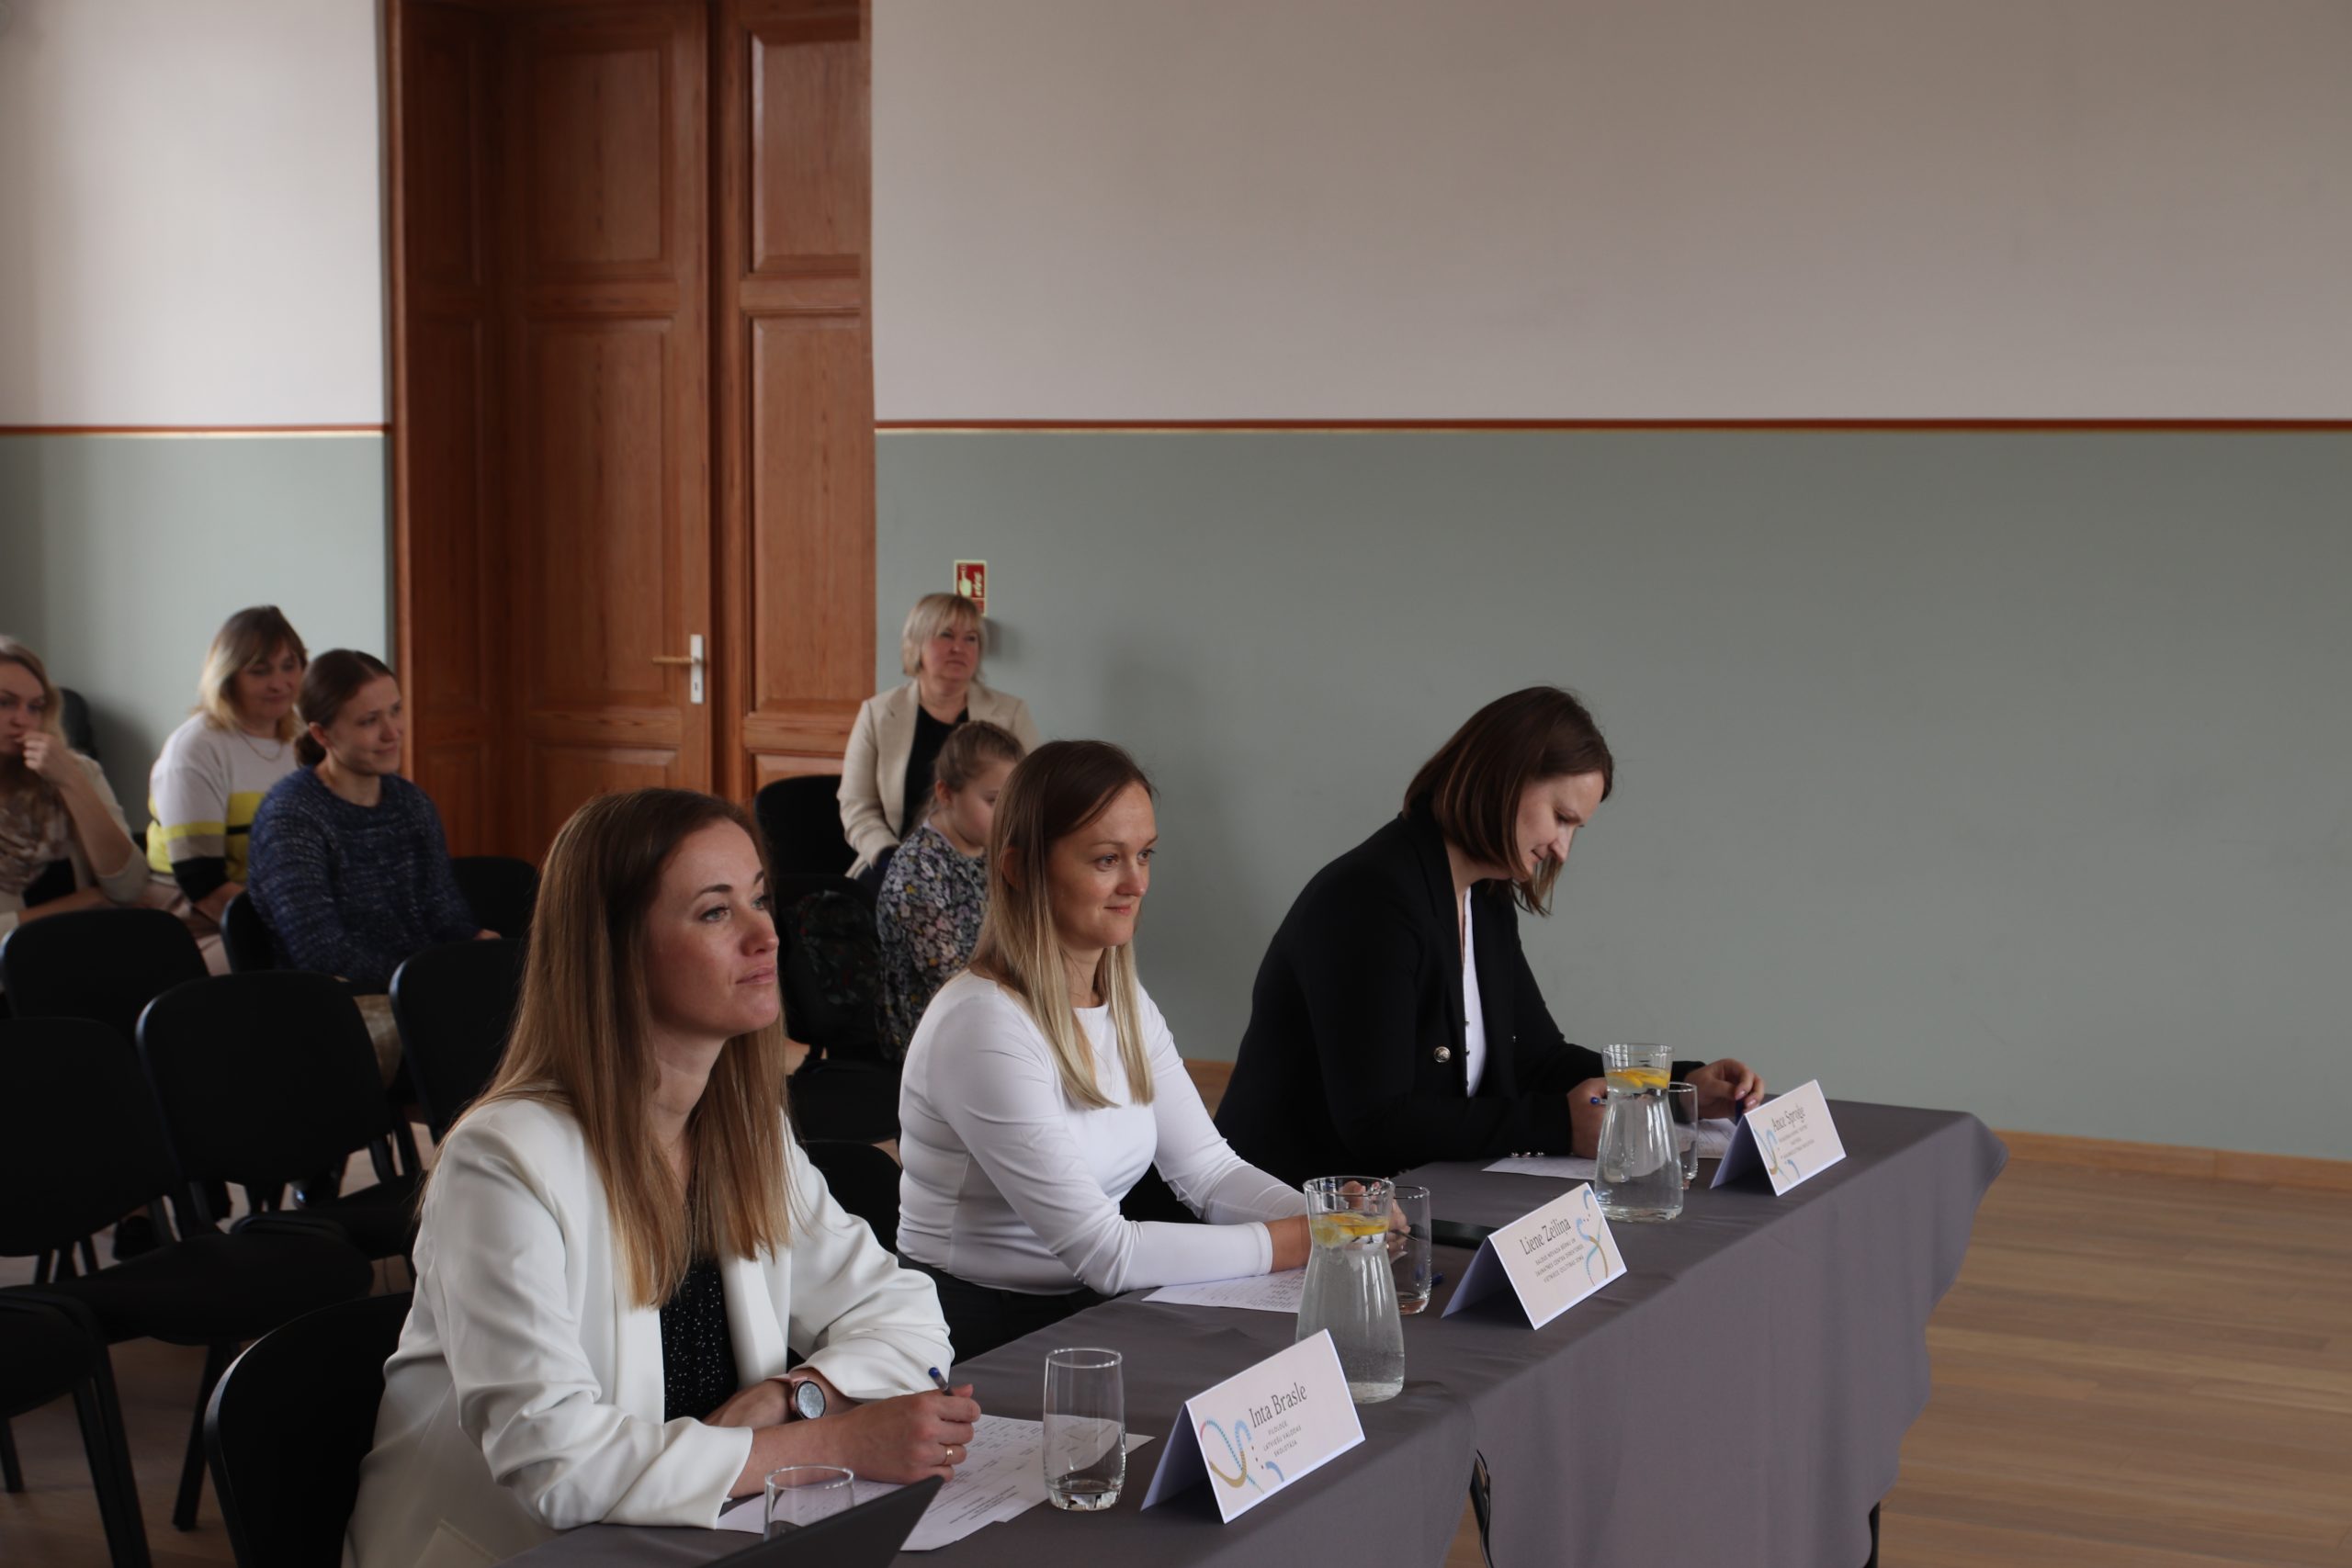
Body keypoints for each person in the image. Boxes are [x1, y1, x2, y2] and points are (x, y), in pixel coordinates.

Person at [345, 789, 976, 1568]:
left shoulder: (742, 1127)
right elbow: (557, 1461)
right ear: (615, 952)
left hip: (693, 1538)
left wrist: (794, 1394)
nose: (766, 934)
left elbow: (905, 1314)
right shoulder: (501, 1163)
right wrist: (830, 1441)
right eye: (715, 912)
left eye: (759, 899)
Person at [1216, 686, 1766, 1186]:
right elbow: (1376, 1122)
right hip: (1294, 1219)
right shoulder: (1372, 898)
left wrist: (1676, 1089)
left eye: (1575, 828)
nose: (1561, 848)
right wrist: (1558, 1125)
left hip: (1404, 1206)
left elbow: (1537, 1061)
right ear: (1502, 780)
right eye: (1560, 816)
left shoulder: (1484, 896)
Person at [896, 740, 1310, 1359]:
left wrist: (1331, 1218)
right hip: (973, 1333)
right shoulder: (982, 1025)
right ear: (1019, 869)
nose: (1137, 883)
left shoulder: (1123, 999)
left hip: (1081, 1309)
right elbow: (1105, 1252)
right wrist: (1301, 1240)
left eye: (1144, 854)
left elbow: (1209, 1171)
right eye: (1106, 859)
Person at [245, 650, 491, 1078]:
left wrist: (473, 943)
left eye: (395, 711)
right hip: (337, 1006)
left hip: (418, 989)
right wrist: (426, 978)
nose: (392, 732)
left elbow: (444, 911)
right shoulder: (292, 815)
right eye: (368, 721)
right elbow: (321, 951)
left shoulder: (411, 803)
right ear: (322, 734)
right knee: (477, 1040)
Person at [144, 606, 307, 971]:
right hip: (193, 924)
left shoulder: (302, 741)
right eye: (260, 671)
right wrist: (298, 927)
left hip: (274, 916)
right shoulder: (195, 749)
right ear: (228, 677)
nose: (279, 683)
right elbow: (203, 884)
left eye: (289, 665)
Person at [838, 592, 1039, 881]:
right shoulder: (877, 713)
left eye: (970, 638)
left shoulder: (1011, 713)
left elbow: (1031, 799)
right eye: (946, 635)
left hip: (986, 864)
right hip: (895, 861)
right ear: (916, 644)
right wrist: (891, 858)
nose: (959, 647)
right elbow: (857, 805)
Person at [876, 719, 1024, 1055]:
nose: (1008, 817)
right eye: (993, 801)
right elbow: (952, 981)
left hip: (992, 1012)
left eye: (1013, 803)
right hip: (931, 1033)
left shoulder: (991, 853)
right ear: (946, 794)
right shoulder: (917, 870)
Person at [0, 637, 147, 954]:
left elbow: (128, 887)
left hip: (90, 955)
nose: (22, 719)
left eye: (35, 707)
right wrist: (84, 902)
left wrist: (70, 781)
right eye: (4, 703)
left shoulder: (77, 770)